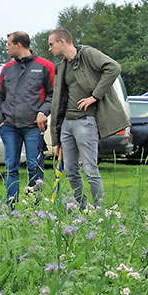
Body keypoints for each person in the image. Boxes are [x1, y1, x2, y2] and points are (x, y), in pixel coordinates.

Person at [47, 28, 127, 209]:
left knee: (90, 170)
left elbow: (114, 68)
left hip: (86, 121)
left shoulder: (88, 54)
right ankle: (82, 208)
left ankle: (100, 211)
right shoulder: (62, 66)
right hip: (67, 123)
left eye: (51, 44)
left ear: (62, 41)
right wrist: (57, 134)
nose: (50, 49)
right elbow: (59, 100)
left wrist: (95, 96)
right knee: (70, 170)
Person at [0, 31, 56, 206]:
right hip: (10, 127)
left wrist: (43, 111)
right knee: (11, 167)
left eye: (8, 44)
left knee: (34, 167)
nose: (7, 48)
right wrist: (1, 119)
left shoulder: (45, 66)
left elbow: (53, 94)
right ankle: (11, 206)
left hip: (33, 127)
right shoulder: (7, 69)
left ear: (19, 45)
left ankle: (35, 207)